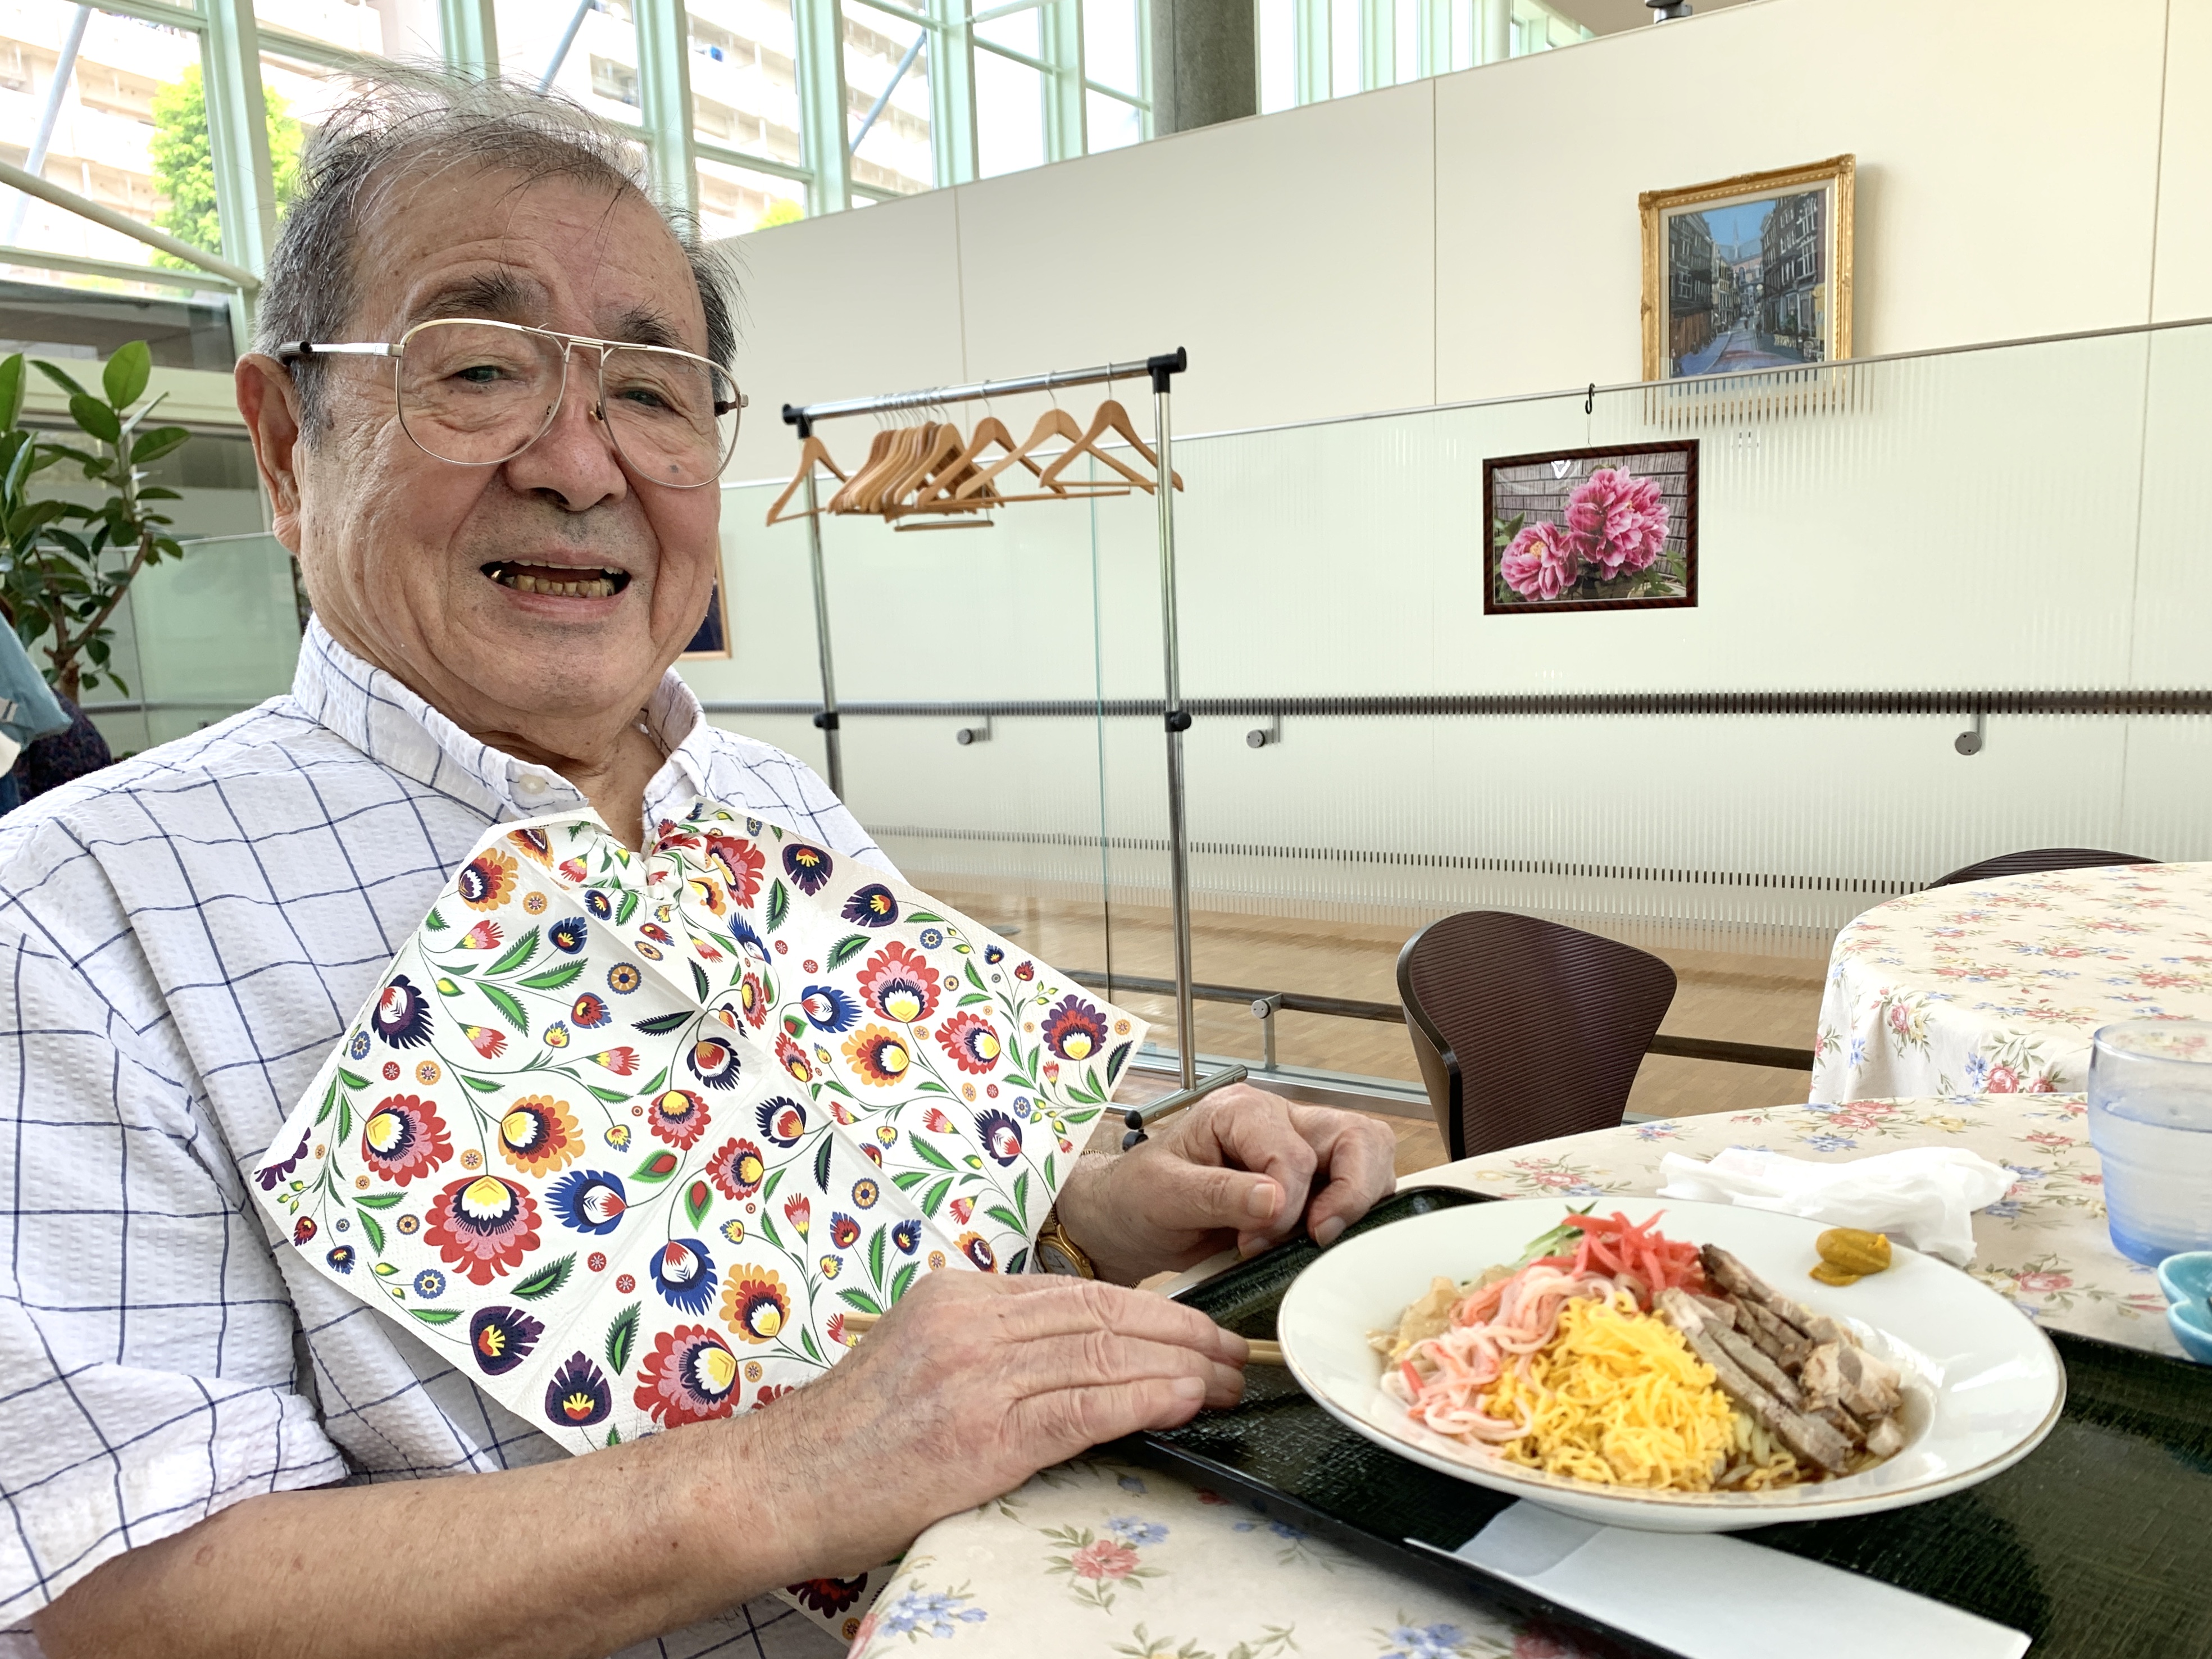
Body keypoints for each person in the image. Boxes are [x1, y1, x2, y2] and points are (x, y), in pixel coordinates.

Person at [0, 72, 1396, 1659]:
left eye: (655, 393)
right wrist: (796, 1470)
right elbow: (135, 1594)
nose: (581, 464)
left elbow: (887, 1235)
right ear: (280, 443)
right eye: (478, 368)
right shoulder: (73, 916)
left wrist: (1102, 1214)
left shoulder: (780, 808)